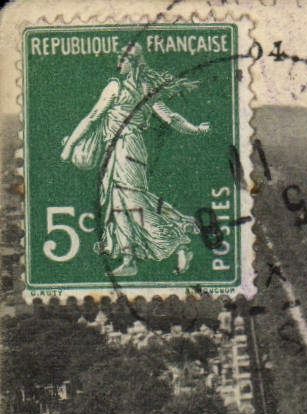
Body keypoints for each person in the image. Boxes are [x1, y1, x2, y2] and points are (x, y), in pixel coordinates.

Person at [59, 43, 211, 277]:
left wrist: (69, 147)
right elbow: (172, 118)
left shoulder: (116, 87)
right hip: (126, 148)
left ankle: (180, 241)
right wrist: (196, 129)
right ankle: (129, 259)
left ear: (133, 62)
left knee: (131, 203)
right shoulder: (146, 87)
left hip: (125, 148)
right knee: (121, 201)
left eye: (123, 60)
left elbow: (92, 117)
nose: (119, 64)